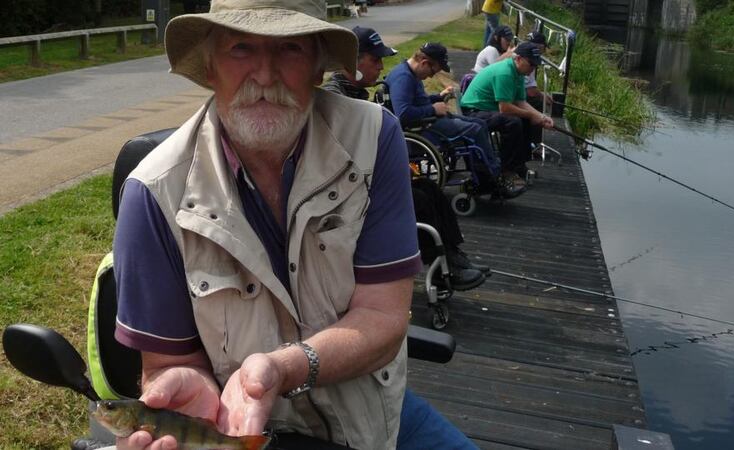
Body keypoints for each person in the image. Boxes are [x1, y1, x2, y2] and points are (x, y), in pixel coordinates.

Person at [111, 1, 475, 450]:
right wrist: (181, 388)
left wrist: (285, 367)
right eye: (241, 48)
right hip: (236, 427)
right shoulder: (151, 194)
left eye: (290, 50)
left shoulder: (374, 138)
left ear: (319, 66)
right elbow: (165, 363)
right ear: (209, 67)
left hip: (374, 413)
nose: (265, 75)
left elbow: (384, 315)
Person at [323, 26, 489, 290]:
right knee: (419, 200)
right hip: (346, 192)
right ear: (352, 61)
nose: (380, 67)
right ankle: (442, 267)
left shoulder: (354, 93)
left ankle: (453, 257)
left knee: (430, 190)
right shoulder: (334, 98)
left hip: (367, 178)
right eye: (375, 60)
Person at [384, 42, 525, 194]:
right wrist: (433, 109)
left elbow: (416, 101)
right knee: (475, 129)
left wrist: (438, 97)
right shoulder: (403, 78)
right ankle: (491, 177)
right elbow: (403, 114)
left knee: (479, 123)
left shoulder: (411, 74)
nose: (432, 75)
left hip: (428, 122)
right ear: (424, 63)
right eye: (433, 71)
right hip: (422, 128)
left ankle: (487, 174)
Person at [460, 41, 555, 178]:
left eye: (536, 65)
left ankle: (519, 165)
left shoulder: (519, 73)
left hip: (488, 110)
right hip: (473, 111)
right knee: (512, 122)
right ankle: (507, 169)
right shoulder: (505, 73)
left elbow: (520, 102)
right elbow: (504, 108)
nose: (533, 68)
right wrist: (531, 115)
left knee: (525, 119)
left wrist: (541, 117)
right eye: (531, 64)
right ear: (518, 59)